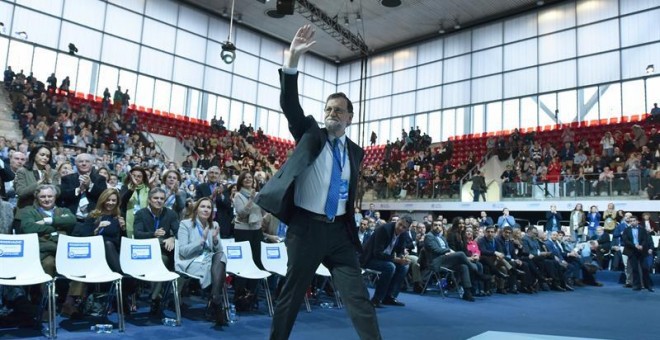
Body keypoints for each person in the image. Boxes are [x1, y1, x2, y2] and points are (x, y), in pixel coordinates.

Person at [254, 25, 380, 340]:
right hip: (305, 230)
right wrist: (293, 58)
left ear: (351, 117)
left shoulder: (354, 152)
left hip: (339, 232)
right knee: (291, 297)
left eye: (338, 110)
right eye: (327, 109)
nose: (331, 113)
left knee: (358, 297)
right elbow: (290, 105)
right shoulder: (311, 134)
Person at [176, 197, 227, 325]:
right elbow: (183, 251)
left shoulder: (214, 225)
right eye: (203, 206)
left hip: (209, 260)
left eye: (209, 207)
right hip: (190, 261)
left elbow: (218, 250)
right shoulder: (185, 224)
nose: (206, 210)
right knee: (218, 268)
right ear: (196, 208)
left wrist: (215, 240)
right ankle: (216, 301)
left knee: (220, 255)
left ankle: (215, 297)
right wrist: (201, 241)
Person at [133, 187, 180, 313]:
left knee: (163, 258)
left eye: (162, 198)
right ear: (149, 200)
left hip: (164, 251)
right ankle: (156, 297)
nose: (159, 201)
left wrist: (172, 238)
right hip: (144, 251)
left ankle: (154, 297)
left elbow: (180, 233)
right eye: (155, 198)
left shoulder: (171, 214)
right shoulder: (140, 214)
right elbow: (137, 234)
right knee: (161, 259)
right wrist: (153, 234)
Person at [361, 216, 412, 307]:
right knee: (390, 267)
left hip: (386, 258)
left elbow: (400, 250)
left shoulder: (403, 234)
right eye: (400, 224)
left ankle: (389, 297)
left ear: (407, 229)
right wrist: (396, 259)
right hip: (369, 258)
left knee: (404, 266)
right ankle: (376, 299)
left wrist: (402, 258)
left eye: (404, 227)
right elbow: (377, 253)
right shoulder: (384, 229)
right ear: (397, 222)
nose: (400, 228)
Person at [232, 171, 265, 301]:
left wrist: (263, 202)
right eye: (245, 178)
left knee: (257, 261)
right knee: (244, 262)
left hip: (256, 229)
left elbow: (263, 212)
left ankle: (252, 294)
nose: (248, 179)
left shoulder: (258, 195)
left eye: (250, 177)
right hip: (242, 230)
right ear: (241, 181)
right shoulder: (238, 195)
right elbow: (241, 214)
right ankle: (240, 294)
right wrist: (251, 200)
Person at [58, 153, 107, 222]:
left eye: (87, 161)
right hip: (72, 218)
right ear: (75, 163)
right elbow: (63, 195)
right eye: (81, 161)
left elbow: (104, 196)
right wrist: (78, 189)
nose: (84, 164)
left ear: (92, 163)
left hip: (93, 219)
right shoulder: (67, 178)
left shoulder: (100, 179)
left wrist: (90, 185)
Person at [622, 216, 653, 292]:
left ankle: (648, 285)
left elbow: (645, 239)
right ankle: (636, 285)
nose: (632, 222)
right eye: (631, 221)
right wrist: (635, 245)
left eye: (634, 220)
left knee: (645, 268)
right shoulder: (626, 230)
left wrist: (641, 245)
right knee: (635, 269)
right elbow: (626, 240)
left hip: (642, 251)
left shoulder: (642, 230)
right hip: (632, 251)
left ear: (637, 221)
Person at [119, 167, 151, 238]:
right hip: (127, 218)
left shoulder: (148, 189)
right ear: (130, 177)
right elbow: (123, 201)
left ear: (143, 178)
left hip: (143, 219)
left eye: (139, 176)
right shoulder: (125, 187)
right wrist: (132, 189)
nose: (136, 178)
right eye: (134, 176)